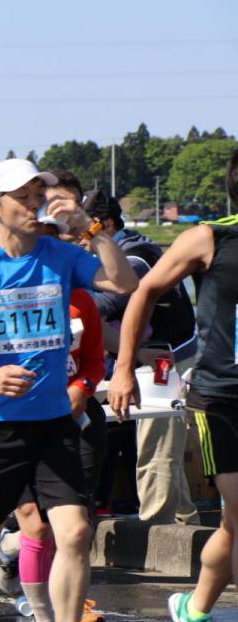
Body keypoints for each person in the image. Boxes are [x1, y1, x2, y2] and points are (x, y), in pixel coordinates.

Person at [0, 158, 136, 622]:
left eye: (37, 195)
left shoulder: (60, 255)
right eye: (21, 197)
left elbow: (122, 282)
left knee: (73, 531)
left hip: (53, 423)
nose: (33, 204)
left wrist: (91, 229)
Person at [110, 149, 238, 622]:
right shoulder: (210, 238)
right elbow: (143, 293)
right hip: (221, 397)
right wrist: (122, 368)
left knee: (233, 526)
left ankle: (195, 608)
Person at [88, 192, 199, 525]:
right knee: (163, 446)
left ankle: (155, 526)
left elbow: (102, 306)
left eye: (81, 230)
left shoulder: (136, 256)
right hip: (153, 358)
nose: (75, 239)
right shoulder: (127, 251)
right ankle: (183, 522)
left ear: (105, 225)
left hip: (166, 362)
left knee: (156, 445)